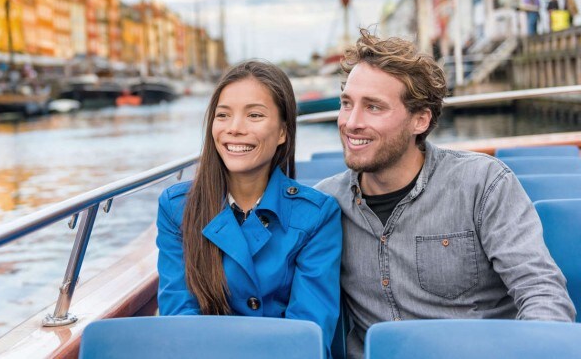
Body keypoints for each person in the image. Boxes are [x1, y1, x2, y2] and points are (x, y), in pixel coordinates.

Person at [316, 29, 576, 359]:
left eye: (374, 107)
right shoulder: (324, 204)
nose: (351, 122)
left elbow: (540, 291)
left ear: (420, 120)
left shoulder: (482, 183)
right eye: (346, 104)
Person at [156, 60, 342, 356]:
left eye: (254, 115)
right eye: (223, 115)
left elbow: (309, 332)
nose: (234, 129)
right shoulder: (177, 208)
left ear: (282, 132)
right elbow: (180, 319)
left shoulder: (317, 215)